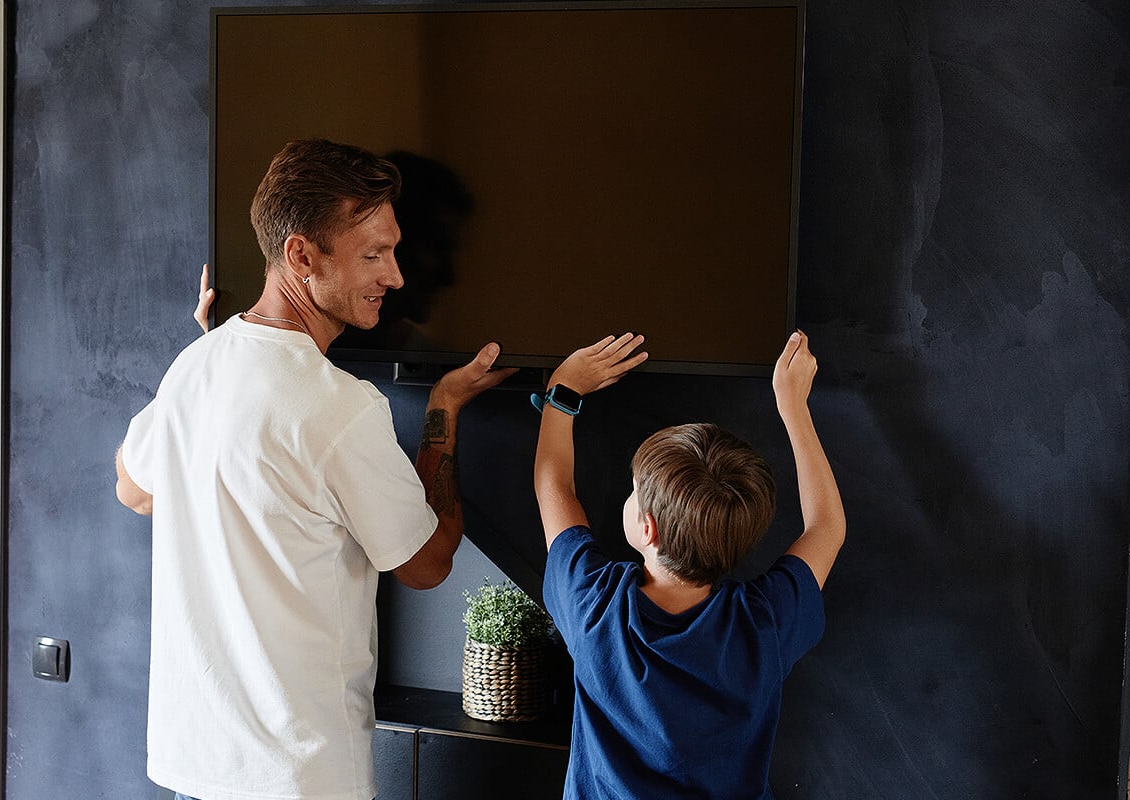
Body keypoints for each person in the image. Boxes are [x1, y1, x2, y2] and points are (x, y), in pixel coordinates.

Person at [114, 139, 515, 800]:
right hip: (295, 778)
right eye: (372, 255)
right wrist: (443, 410)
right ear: (301, 254)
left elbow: (133, 488)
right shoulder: (342, 409)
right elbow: (425, 564)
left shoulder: (198, 366)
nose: (396, 277)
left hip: (195, 768)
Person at [533, 331, 845, 799]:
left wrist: (563, 392)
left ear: (648, 530)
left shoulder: (593, 608)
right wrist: (794, 408)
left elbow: (552, 485)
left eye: (634, 491)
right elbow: (827, 529)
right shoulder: (763, 625)